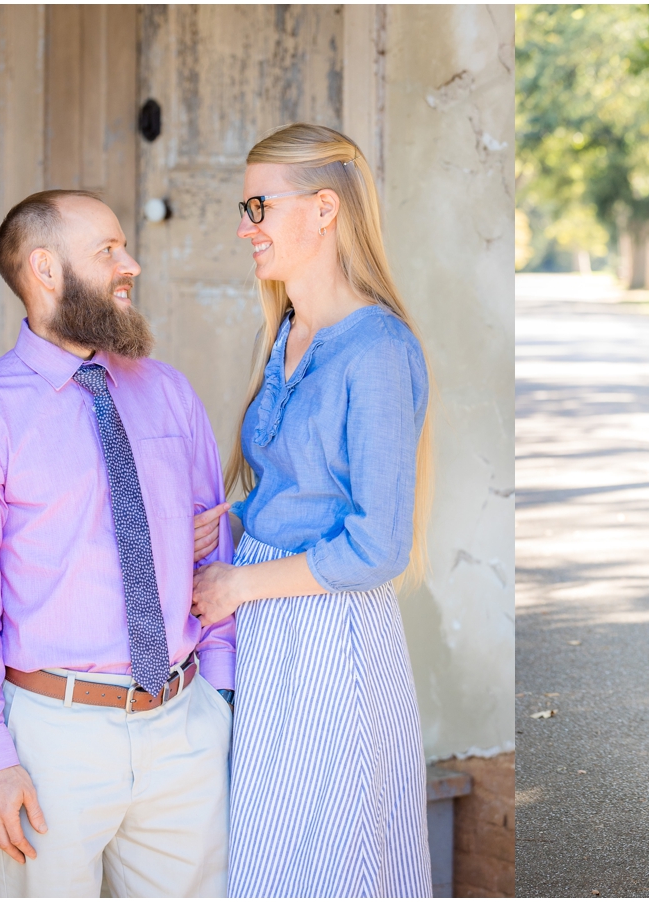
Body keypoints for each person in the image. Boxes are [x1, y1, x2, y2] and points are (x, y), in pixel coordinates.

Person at [0, 190, 236, 897]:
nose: (129, 263)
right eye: (107, 250)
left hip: (184, 726)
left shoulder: (168, 392)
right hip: (53, 740)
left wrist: (220, 699)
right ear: (45, 268)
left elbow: (212, 551)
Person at [189, 124, 433, 898]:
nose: (244, 226)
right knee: (269, 857)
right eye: (244, 206)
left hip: (330, 634)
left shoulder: (378, 349)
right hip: (269, 631)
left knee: (331, 863)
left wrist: (236, 586)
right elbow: (294, 484)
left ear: (325, 209)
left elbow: (379, 545)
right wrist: (232, 520)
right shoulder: (288, 331)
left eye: (259, 205)